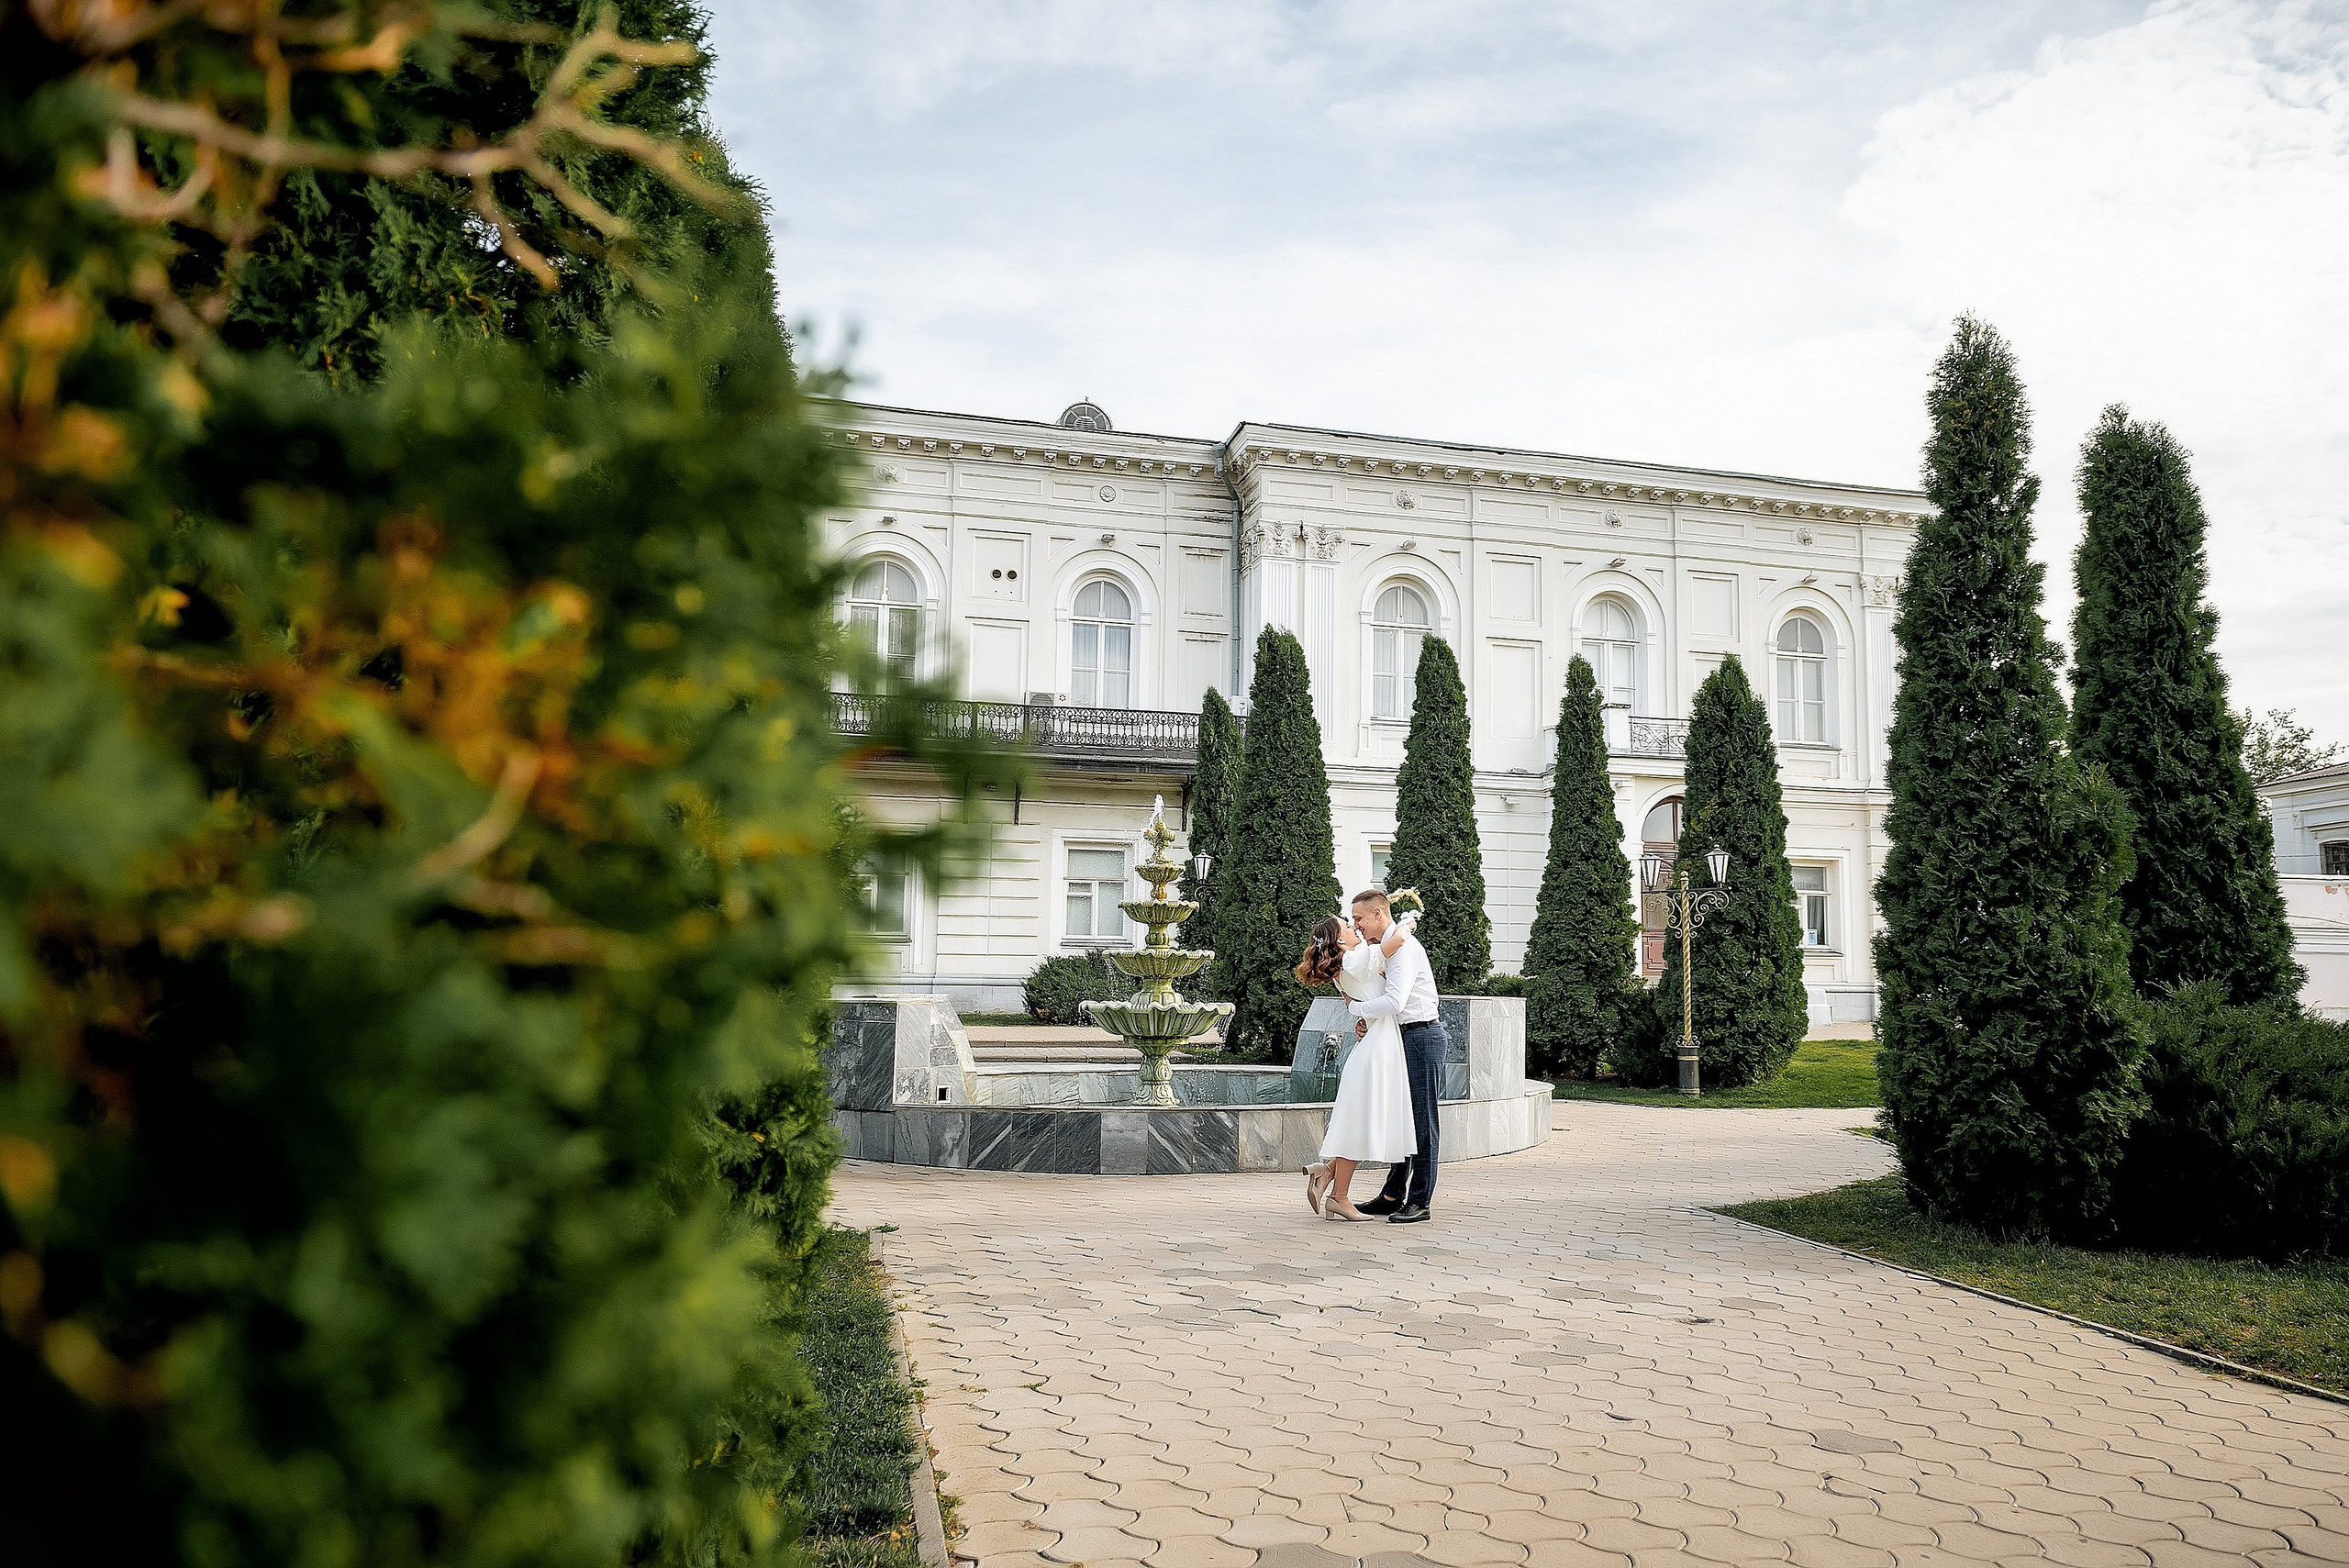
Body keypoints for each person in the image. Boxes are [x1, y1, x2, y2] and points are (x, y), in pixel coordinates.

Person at [1295, 906, 1419, 1220]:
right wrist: (1407, 918)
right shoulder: (1354, 959)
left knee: (1363, 1120)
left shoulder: (1347, 965)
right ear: (1339, 941)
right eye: (1348, 926)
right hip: (1377, 1050)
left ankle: (1326, 1174)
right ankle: (1338, 1196)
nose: (1355, 928)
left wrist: (1361, 1013)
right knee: (1360, 1123)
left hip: (1378, 1045)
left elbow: (1358, 1004)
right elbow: (1399, 940)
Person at [1346, 888, 1443, 1223]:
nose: (1356, 926)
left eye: (1359, 919)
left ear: (1377, 914)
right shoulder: (1386, 948)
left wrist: (1355, 1009)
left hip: (1420, 1036)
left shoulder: (1402, 948)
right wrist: (1367, 1022)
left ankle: (1420, 1201)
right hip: (1402, 1037)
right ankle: (1391, 1195)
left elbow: (1396, 1003)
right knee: (1402, 1120)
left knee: (1422, 1123)